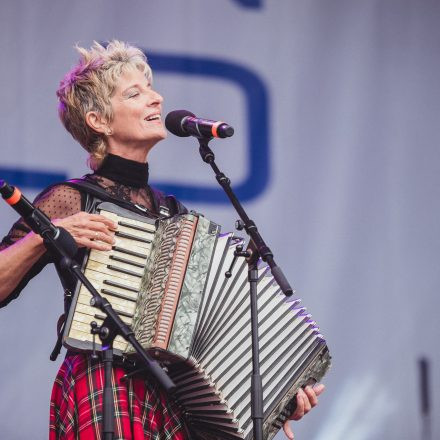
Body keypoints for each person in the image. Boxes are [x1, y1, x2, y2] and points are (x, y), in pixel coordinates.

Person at [0, 40, 324, 440]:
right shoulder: (70, 198)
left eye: (151, 88)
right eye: (134, 93)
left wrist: (275, 400)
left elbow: (214, 331)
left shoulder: (173, 214)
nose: (156, 99)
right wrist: (44, 237)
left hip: (169, 397)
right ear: (98, 120)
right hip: (106, 386)